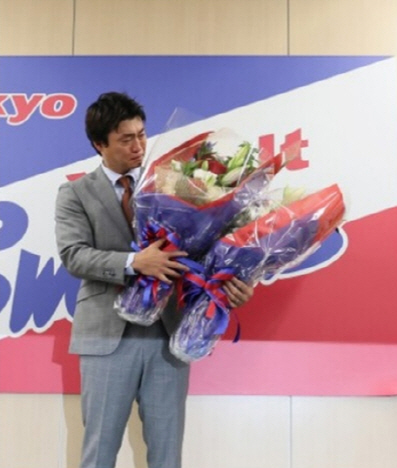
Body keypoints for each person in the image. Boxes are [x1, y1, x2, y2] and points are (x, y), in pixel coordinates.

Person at [55, 92, 254, 468]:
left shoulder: (177, 185)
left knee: (167, 455)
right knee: (98, 453)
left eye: (142, 135)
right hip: (106, 338)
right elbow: (74, 255)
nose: (138, 145)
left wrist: (233, 285)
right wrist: (135, 262)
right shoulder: (75, 193)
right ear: (99, 144)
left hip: (168, 337)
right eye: (126, 139)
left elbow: (204, 257)